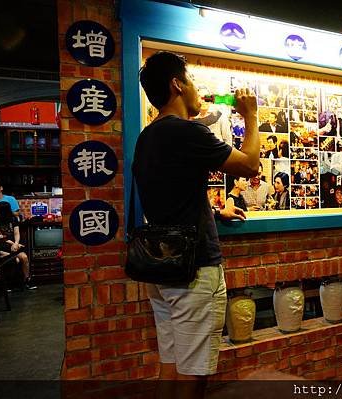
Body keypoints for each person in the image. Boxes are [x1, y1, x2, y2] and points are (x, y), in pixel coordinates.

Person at [134, 51, 259, 399]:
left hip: (160, 266)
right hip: (193, 270)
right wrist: (251, 115)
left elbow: (168, 198)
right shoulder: (184, 131)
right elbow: (249, 165)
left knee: (172, 364)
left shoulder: (149, 136)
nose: (197, 89)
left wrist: (217, 214)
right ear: (177, 84)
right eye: (191, 81)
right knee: (194, 375)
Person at [0, 202, 36, 290]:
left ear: (3, 211)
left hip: (14, 244)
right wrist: (13, 244)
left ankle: (26, 280)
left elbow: (16, 233)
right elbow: (0, 236)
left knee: (24, 257)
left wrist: (16, 243)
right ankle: (10, 283)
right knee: (15, 259)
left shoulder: (13, 219)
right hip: (1, 244)